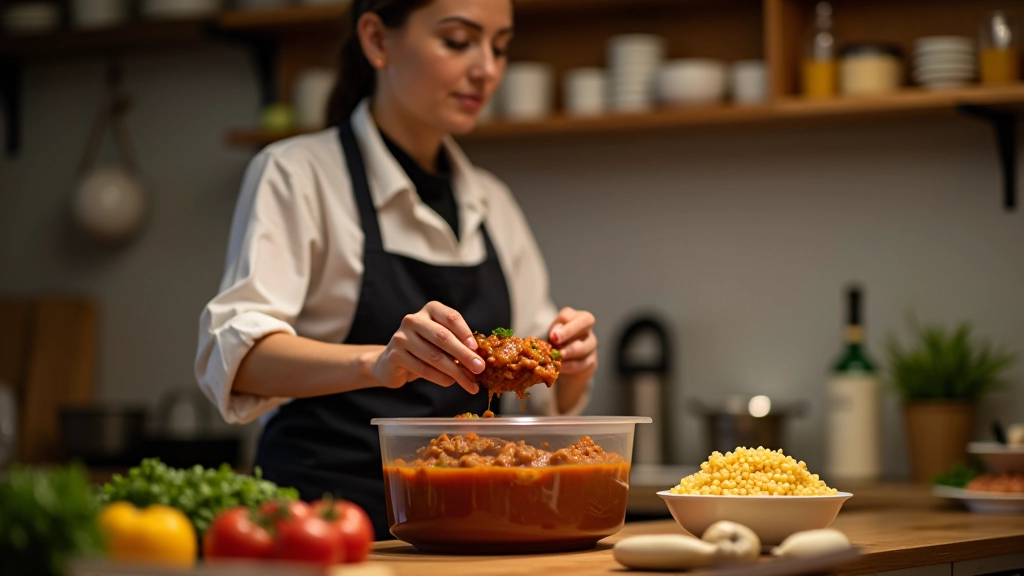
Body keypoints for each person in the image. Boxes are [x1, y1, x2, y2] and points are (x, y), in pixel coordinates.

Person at [195, 0, 597, 539]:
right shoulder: (297, 174)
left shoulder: (491, 201)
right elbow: (235, 359)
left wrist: (570, 364)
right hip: (322, 523)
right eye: (458, 41)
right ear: (378, 40)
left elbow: (542, 400)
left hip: (464, 524)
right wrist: (377, 362)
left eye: (500, 47)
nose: (487, 68)